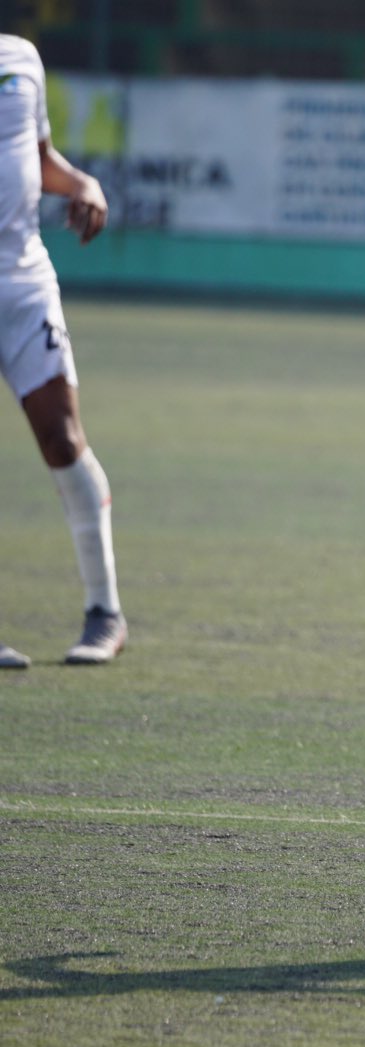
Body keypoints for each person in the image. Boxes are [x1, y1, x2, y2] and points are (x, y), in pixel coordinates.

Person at [0, 35, 125, 670]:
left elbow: (37, 155)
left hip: (22, 280)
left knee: (62, 438)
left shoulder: (21, 58)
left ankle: (105, 612)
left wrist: (83, 183)